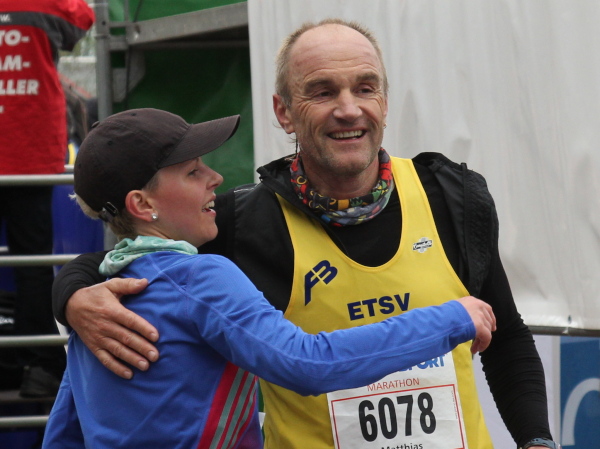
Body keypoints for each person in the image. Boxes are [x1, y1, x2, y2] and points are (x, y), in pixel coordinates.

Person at [51, 19, 558, 449]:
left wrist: (536, 440)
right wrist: (72, 297)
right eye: (322, 91)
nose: (349, 108)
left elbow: (507, 337)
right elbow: (133, 261)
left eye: (365, 87)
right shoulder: (237, 223)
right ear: (283, 112)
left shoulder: (452, 196)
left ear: (384, 100)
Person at [42, 108, 495, 448]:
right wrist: (452, 319)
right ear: (142, 205)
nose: (215, 177)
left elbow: (64, 432)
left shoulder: (97, 305)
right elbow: (309, 364)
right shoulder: (202, 277)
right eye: (193, 172)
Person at [0, 0, 94, 397]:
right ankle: (40, 365)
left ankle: (23, 364)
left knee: (31, 266)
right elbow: (83, 19)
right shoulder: (46, 3)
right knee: (33, 264)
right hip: (29, 152)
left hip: (30, 151)